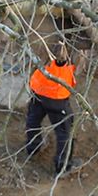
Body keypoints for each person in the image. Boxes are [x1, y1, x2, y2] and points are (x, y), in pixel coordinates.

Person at [25, 43, 78, 175]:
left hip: (38, 90)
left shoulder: (44, 47)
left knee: (33, 119)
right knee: (65, 132)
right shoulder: (64, 57)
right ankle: (63, 167)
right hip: (57, 99)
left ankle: (33, 147)